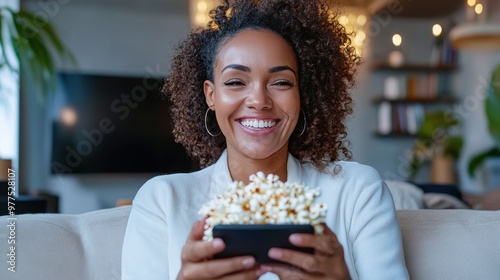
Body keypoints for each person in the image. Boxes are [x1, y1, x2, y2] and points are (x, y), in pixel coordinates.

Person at [121, 0, 409, 279]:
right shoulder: (162, 200)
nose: (259, 101)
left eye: (281, 82)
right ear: (211, 95)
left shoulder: (358, 192)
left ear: (301, 96)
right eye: (235, 82)